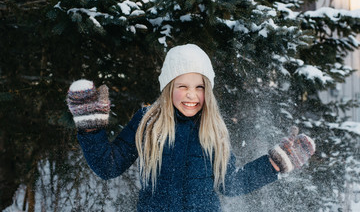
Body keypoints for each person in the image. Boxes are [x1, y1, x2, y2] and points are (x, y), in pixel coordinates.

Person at [66, 44, 316, 212]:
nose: (191, 95)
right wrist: (91, 130)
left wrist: (272, 165)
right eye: (182, 86)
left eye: (199, 87)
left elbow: (229, 184)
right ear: (168, 88)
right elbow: (109, 166)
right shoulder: (148, 121)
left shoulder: (214, 130)